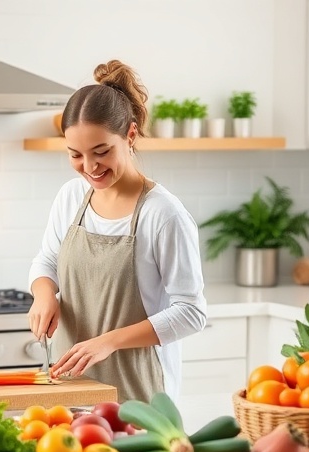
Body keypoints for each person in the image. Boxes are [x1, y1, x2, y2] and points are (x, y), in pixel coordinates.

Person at [27, 59, 207, 402]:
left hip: (138, 392)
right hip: (71, 390)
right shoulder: (71, 197)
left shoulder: (163, 214)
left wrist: (108, 341)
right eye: (75, 155)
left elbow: (191, 312)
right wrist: (44, 293)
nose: (90, 167)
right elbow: (47, 261)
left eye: (101, 152)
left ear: (131, 134)